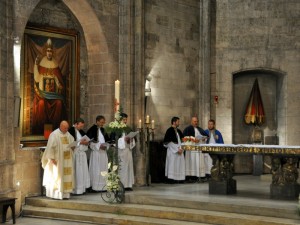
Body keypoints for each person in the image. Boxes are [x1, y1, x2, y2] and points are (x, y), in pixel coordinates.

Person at [33, 38, 67, 134]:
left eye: (51, 51)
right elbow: (37, 79)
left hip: (54, 96)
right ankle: (41, 129)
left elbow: (60, 82)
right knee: (41, 104)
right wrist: (35, 65)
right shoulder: (42, 63)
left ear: (53, 53)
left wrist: (58, 84)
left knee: (59, 103)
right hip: (43, 95)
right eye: (48, 51)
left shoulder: (55, 64)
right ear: (45, 52)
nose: (49, 53)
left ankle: (57, 127)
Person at [41, 120, 74, 200]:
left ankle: (65, 194)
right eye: (65, 128)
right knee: (57, 176)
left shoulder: (68, 134)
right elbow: (50, 147)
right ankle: (56, 195)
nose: (67, 130)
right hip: (57, 160)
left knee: (66, 177)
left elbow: (72, 142)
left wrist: (73, 147)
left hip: (67, 160)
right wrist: (51, 158)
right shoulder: (54, 134)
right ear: (61, 126)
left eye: (67, 128)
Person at [86, 115, 110, 192]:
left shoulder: (103, 130)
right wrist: (99, 146)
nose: (103, 124)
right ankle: (95, 187)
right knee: (96, 169)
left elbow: (107, 141)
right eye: (102, 122)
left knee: (103, 168)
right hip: (96, 153)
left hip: (103, 153)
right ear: (97, 121)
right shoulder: (91, 130)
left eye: (104, 122)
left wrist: (107, 146)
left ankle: (103, 186)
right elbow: (89, 142)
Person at [183, 116, 209, 182]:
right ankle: (191, 177)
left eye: (197, 121)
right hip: (191, 150)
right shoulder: (187, 129)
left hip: (198, 149)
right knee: (192, 163)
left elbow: (206, 136)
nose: (196, 123)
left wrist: (203, 138)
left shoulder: (199, 129)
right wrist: (194, 140)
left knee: (198, 163)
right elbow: (184, 139)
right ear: (191, 121)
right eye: (194, 121)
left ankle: (199, 176)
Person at [68, 118, 90, 195]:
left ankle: (82, 189)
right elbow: (70, 143)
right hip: (75, 154)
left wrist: (87, 142)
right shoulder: (70, 131)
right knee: (76, 172)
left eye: (82, 126)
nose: (81, 128)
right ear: (76, 124)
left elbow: (85, 139)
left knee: (82, 172)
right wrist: (80, 143)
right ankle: (75, 189)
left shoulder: (80, 131)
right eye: (80, 126)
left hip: (82, 154)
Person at [117, 113, 135, 191]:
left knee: (129, 167)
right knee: (122, 168)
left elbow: (133, 141)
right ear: (120, 120)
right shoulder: (116, 128)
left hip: (128, 151)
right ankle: (121, 185)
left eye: (126, 119)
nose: (125, 121)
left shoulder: (128, 129)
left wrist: (131, 140)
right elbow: (115, 140)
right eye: (124, 119)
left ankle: (128, 185)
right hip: (121, 151)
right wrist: (123, 140)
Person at [163, 117, 185, 183]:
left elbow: (182, 140)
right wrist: (177, 149)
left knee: (179, 164)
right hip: (172, 151)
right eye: (178, 121)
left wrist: (181, 149)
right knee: (172, 165)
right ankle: (171, 179)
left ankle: (178, 178)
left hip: (179, 150)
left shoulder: (178, 131)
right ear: (174, 122)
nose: (179, 123)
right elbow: (168, 142)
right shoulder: (169, 130)